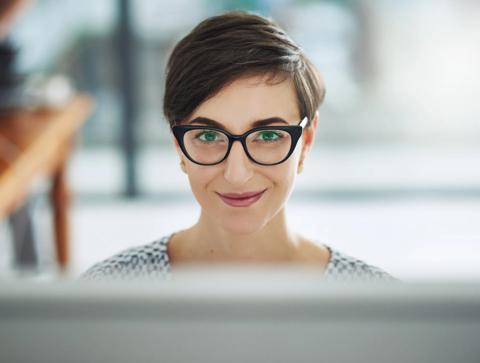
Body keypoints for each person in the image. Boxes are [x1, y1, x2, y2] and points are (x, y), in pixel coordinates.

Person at [83, 11, 396, 282]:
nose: (237, 175)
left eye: (268, 136)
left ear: (306, 141)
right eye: (208, 136)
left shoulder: (378, 304)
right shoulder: (107, 291)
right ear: (178, 146)